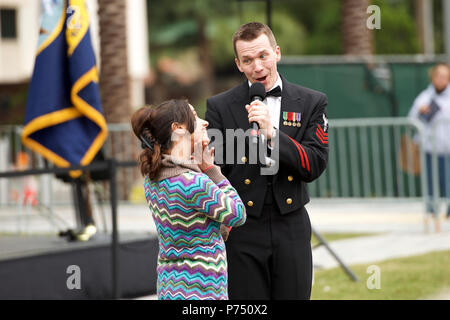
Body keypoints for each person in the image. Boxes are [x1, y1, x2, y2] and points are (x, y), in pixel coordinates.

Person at [205, 22, 329, 299]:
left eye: (263, 56)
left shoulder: (311, 101)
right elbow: (215, 171)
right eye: (247, 60)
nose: (257, 67)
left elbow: (315, 163)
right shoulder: (220, 106)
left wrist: (273, 135)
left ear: (277, 53)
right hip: (243, 228)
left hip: (291, 225)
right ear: (238, 64)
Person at [131, 99, 246, 300]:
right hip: (202, 292)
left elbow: (190, 228)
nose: (205, 122)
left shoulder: (153, 180)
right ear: (178, 129)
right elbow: (238, 214)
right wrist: (211, 170)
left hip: (170, 288)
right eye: (195, 117)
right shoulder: (194, 182)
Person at [408, 63, 450, 233]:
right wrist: (420, 112)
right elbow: (412, 118)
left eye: (445, 76)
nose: (441, 79)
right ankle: (432, 213)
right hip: (430, 149)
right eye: (438, 75)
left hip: (448, 149)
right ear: (433, 77)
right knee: (431, 184)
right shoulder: (424, 97)